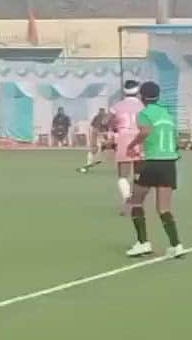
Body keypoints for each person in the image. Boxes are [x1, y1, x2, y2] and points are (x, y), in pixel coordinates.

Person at [124, 81, 185, 259]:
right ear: (158, 96)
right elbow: (175, 139)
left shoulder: (144, 113)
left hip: (152, 161)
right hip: (169, 162)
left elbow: (145, 131)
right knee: (164, 208)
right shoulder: (166, 114)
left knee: (135, 201)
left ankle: (143, 243)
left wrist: (132, 145)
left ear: (141, 97)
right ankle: (176, 245)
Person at [109, 81, 145, 212]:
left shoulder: (117, 106)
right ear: (138, 91)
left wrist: (115, 129)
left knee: (123, 175)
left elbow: (108, 122)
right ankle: (137, 201)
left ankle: (127, 199)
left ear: (124, 91)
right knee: (139, 173)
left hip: (124, 138)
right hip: (140, 139)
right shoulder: (143, 106)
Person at [78, 108, 111, 173]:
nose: (101, 112)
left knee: (102, 149)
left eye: (102, 111)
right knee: (94, 149)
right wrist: (95, 132)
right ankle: (89, 162)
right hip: (98, 134)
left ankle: (98, 159)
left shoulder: (107, 118)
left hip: (104, 135)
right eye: (100, 111)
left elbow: (107, 127)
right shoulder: (96, 117)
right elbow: (93, 126)